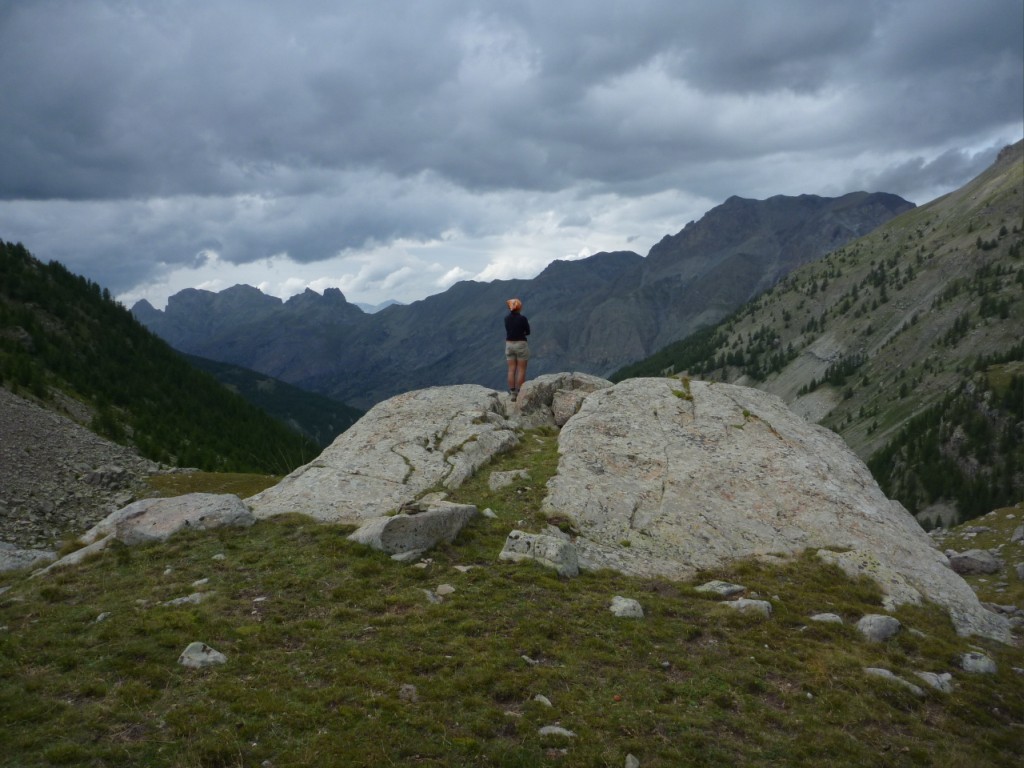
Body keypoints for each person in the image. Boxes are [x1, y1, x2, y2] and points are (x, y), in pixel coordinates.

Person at [504, 298, 530, 401]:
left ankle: (512, 393)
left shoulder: (506, 319)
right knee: (521, 369)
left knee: (511, 369)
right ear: (519, 307)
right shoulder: (523, 319)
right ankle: (520, 393)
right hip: (520, 344)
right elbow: (528, 332)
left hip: (509, 344)